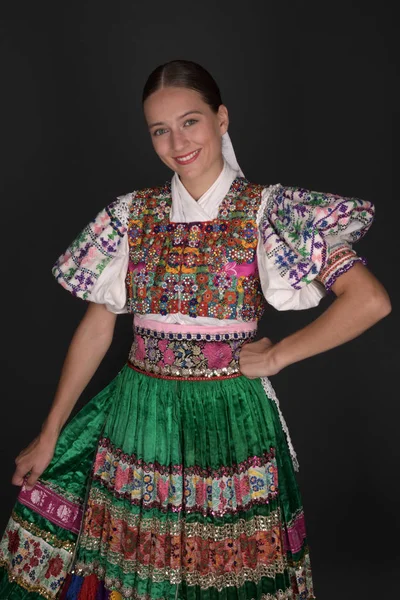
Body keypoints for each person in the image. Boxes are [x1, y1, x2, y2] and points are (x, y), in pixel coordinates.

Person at [0, 59, 391, 600]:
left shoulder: (267, 212)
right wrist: (49, 434)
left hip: (228, 419)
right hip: (139, 415)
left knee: (223, 573)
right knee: (139, 569)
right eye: (160, 129)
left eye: (190, 122)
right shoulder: (131, 214)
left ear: (221, 119)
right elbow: (97, 327)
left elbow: (369, 300)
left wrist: (278, 357)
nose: (176, 141)